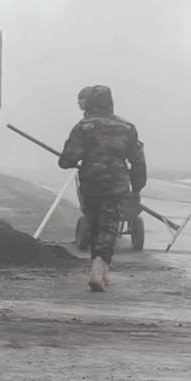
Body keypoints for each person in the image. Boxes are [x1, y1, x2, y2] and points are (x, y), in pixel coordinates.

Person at [58, 85, 147, 292]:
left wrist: (72, 160)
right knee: (109, 228)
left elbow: (67, 159)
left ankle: (98, 268)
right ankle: (99, 268)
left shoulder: (83, 127)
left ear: (89, 103)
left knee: (96, 226)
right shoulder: (127, 127)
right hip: (116, 186)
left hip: (90, 185)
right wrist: (137, 187)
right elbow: (138, 161)